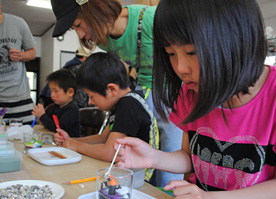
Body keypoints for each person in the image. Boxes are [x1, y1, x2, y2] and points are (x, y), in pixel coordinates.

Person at [113, 0, 276, 199]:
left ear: (237, 38)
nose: (181, 68)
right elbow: (190, 157)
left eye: (191, 52)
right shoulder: (191, 91)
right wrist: (154, 158)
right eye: (171, 53)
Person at [50, 0, 183, 187]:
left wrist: (75, 144)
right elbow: (105, 138)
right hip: (148, 94)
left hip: (175, 97)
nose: (81, 35)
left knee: (168, 173)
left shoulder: (153, 20)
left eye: (79, 25)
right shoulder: (106, 43)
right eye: (74, 29)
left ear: (94, 9)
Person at [53, 52, 159, 182]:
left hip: (141, 181)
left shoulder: (129, 105)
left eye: (91, 96)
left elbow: (110, 152)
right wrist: (71, 141)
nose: (90, 102)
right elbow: (103, 138)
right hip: (126, 174)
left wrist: (76, 146)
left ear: (111, 90)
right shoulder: (121, 104)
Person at [0, 2, 36, 125]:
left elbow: (32, 53)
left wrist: (21, 55)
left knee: (27, 138)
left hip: (21, 98)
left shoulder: (18, 23)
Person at [32, 69, 80, 137]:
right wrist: (39, 116)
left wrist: (42, 116)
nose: (52, 95)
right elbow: (48, 124)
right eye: (51, 91)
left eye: (56, 91)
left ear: (70, 92)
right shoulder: (56, 106)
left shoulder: (72, 109)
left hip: (70, 145)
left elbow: (57, 128)